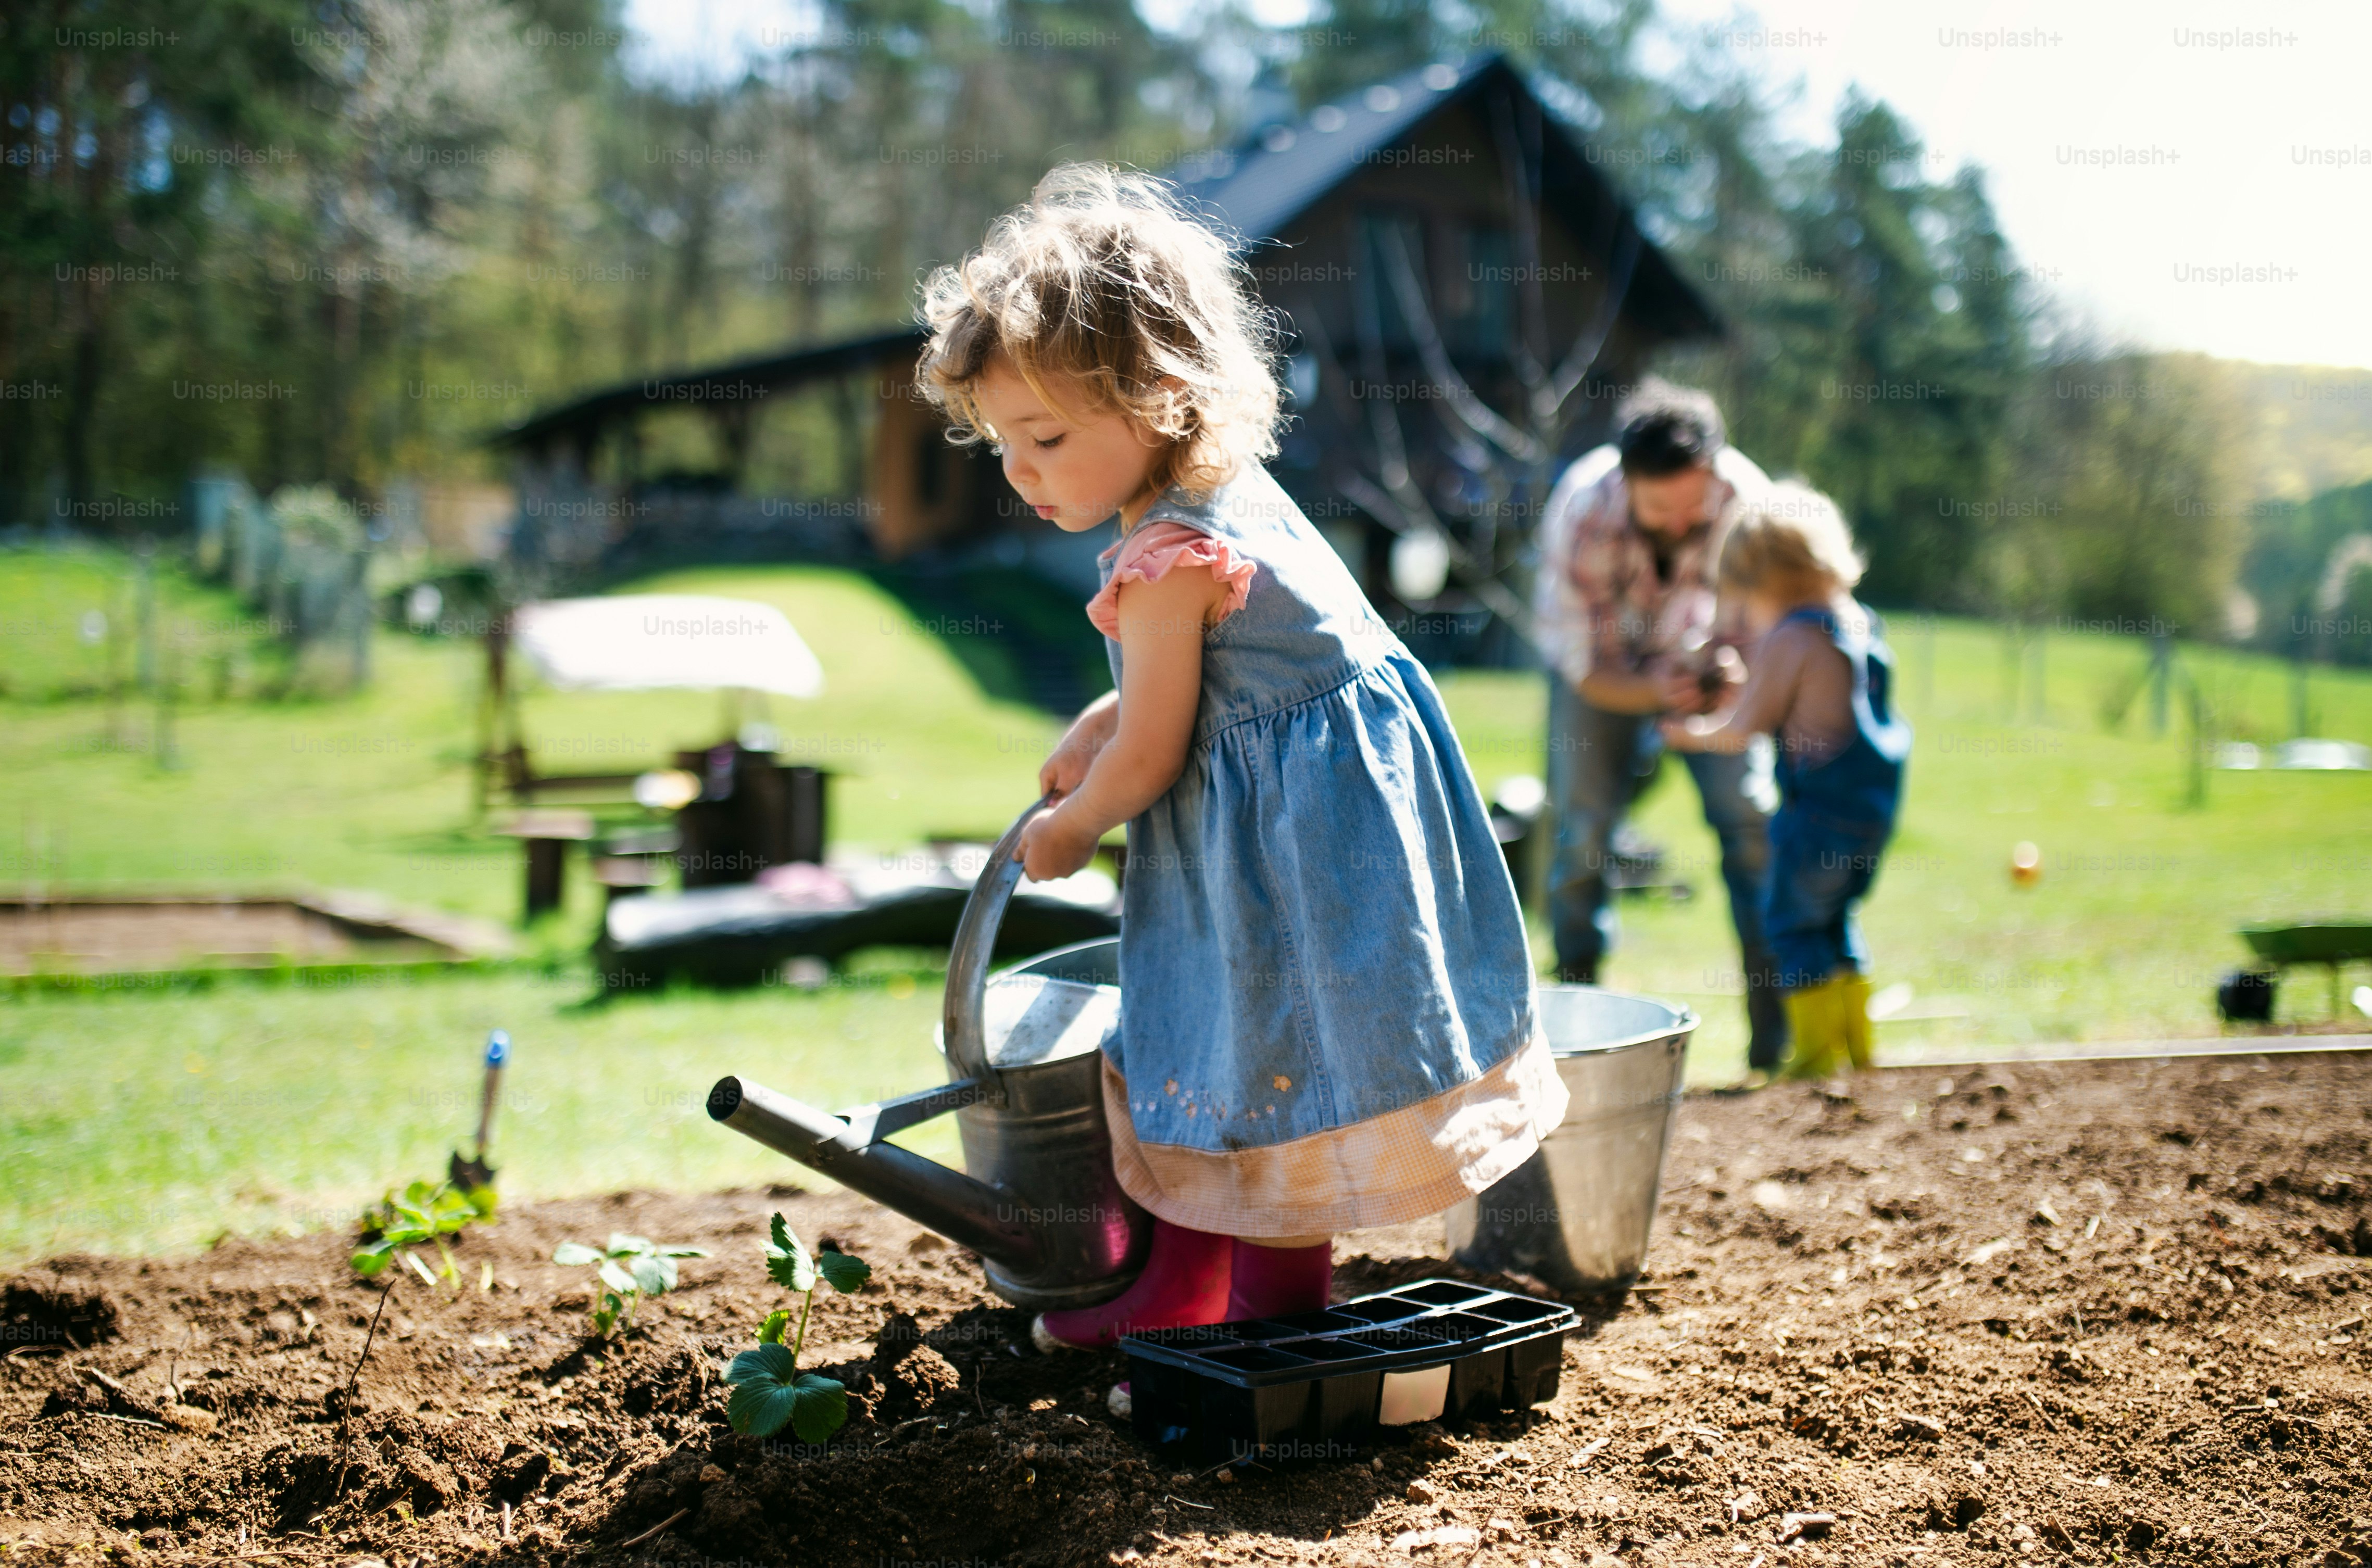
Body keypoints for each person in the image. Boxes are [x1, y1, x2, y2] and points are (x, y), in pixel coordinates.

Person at [914, 164, 1568, 1357]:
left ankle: (1248, 1318)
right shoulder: (1226, 496)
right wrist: (1095, 726)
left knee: (1255, 1063)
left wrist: (1073, 826)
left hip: (1276, 865)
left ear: (1159, 393)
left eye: (1045, 438)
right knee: (1247, 1064)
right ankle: (1205, 1297)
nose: (1020, 472)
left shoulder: (1165, 554)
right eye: (1002, 444)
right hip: (1315, 841)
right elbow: (1208, 691)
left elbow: (1160, 748)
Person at [1532, 383, 1788, 1068]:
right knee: (1581, 830)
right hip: (1606, 673)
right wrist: (1650, 688)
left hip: (1711, 670)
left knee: (1751, 827)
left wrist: (1734, 681)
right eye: (1657, 508)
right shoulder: (1580, 511)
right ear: (1625, 481)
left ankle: (1774, 1039)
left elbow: (1769, 638)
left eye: (1691, 505)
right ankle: (1572, 1040)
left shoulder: (1749, 502)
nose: (1678, 523)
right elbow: (1582, 665)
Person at [1660, 483, 1911, 1078]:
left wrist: (1684, 732)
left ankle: (1815, 1060)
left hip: (1815, 815)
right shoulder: (1855, 623)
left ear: (1762, 580)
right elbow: (1812, 704)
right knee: (1835, 922)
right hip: (1868, 814)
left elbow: (1745, 727)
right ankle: (1858, 1052)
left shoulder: (1792, 635)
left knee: (1790, 923)